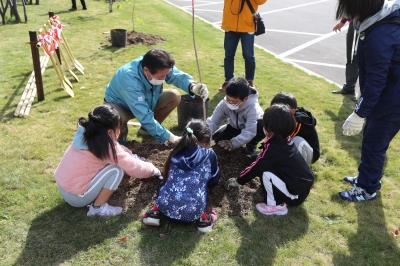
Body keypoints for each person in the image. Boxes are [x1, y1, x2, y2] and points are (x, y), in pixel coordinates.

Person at [337, 0, 400, 201]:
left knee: (374, 143)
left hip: (392, 99)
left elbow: (376, 80)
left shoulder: (380, 33)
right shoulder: (377, 20)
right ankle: (368, 178)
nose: (348, 13)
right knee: (372, 140)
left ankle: (367, 188)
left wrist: (359, 113)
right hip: (389, 93)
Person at [54, 105, 161, 217]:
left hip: (63, 186)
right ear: (110, 132)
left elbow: (118, 149)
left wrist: (131, 155)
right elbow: (135, 169)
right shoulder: (108, 148)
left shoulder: (87, 134)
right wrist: (153, 170)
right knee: (116, 170)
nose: (119, 131)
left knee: (112, 165)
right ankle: (97, 208)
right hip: (77, 198)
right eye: (119, 128)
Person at [104, 48, 208, 146]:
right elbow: (144, 115)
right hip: (120, 105)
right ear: (146, 71)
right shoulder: (130, 81)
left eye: (165, 76)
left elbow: (177, 76)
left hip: (147, 99)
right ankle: (119, 139)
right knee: (119, 118)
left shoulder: (158, 64)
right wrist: (171, 138)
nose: (164, 79)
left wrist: (193, 87)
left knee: (173, 96)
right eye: (161, 77)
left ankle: (146, 130)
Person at [227, 104, 315, 215]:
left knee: (265, 173)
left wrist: (238, 180)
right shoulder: (286, 140)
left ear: (271, 129)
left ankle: (275, 206)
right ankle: (281, 197)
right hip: (301, 187)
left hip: (295, 196)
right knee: (270, 168)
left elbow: (256, 167)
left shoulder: (274, 148)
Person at [142, 119, 221, 232]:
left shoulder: (177, 151)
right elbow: (214, 179)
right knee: (202, 189)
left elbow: (167, 176)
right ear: (206, 138)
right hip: (192, 215)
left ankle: (154, 213)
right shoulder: (209, 155)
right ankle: (204, 220)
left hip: (165, 210)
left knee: (164, 185)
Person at [206, 77, 265, 157]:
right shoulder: (224, 103)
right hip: (234, 126)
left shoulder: (253, 108)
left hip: (255, 129)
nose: (230, 103)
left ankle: (251, 146)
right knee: (217, 139)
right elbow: (214, 121)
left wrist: (233, 143)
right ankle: (237, 137)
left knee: (263, 122)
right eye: (228, 99)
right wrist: (204, 133)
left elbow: (249, 132)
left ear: (245, 99)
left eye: (234, 102)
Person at [219, 0, 267, 92]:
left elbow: (261, 1)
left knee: (248, 55)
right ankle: (228, 81)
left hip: (247, 26)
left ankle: (249, 80)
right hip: (230, 25)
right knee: (228, 55)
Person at [270, 92, 320, 164]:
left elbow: (285, 140)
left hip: (309, 152)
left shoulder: (298, 121)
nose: (275, 112)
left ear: (293, 111)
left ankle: (298, 170)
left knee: (296, 141)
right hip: (292, 147)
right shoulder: (281, 116)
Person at [332, 18, 359, 96]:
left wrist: (343, 21)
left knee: (353, 58)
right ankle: (350, 87)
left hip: (358, 24)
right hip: (359, 24)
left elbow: (353, 7)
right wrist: (343, 21)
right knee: (353, 58)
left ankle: (351, 88)